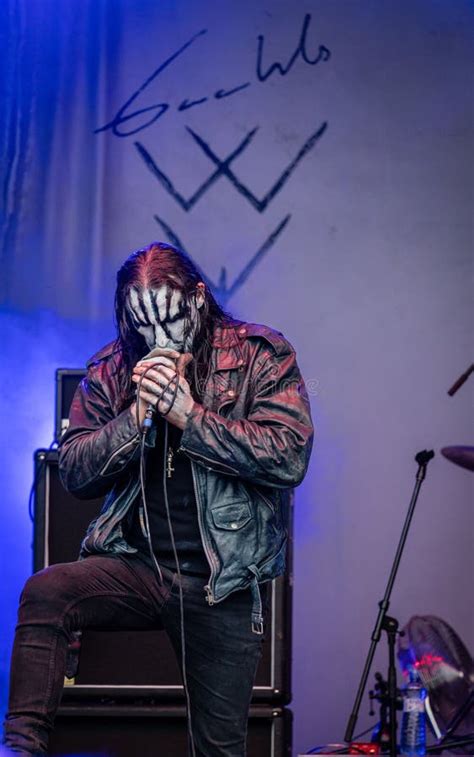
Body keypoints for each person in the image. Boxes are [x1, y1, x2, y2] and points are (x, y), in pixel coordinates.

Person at [3, 242, 314, 756]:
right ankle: (19, 747)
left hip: (222, 582)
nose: (158, 338)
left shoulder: (259, 353)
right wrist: (135, 416)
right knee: (47, 591)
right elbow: (76, 472)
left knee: (219, 748)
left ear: (198, 298)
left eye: (170, 321)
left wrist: (189, 417)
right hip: (138, 567)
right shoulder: (112, 367)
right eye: (142, 324)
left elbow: (289, 455)